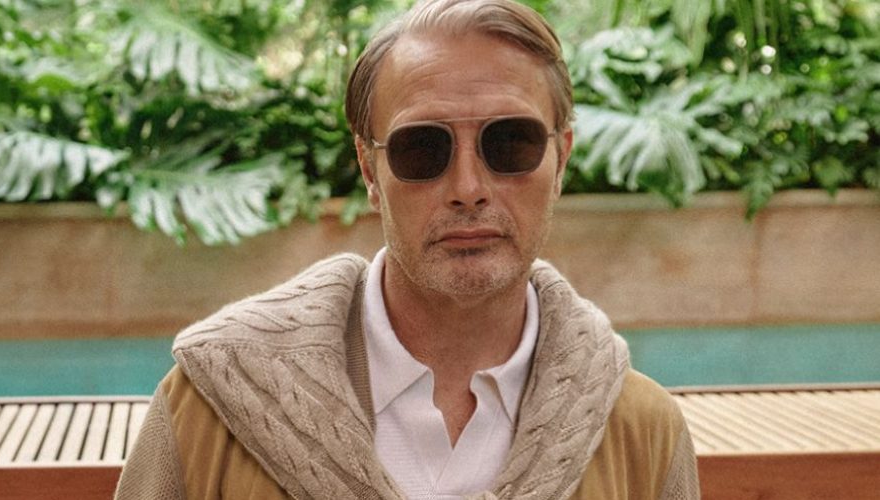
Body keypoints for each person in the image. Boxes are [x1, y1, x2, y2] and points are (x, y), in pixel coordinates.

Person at [115, 0, 701, 498]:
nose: (468, 188)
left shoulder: (643, 435)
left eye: (510, 143)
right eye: (422, 149)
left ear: (561, 158)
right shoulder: (207, 409)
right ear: (370, 170)